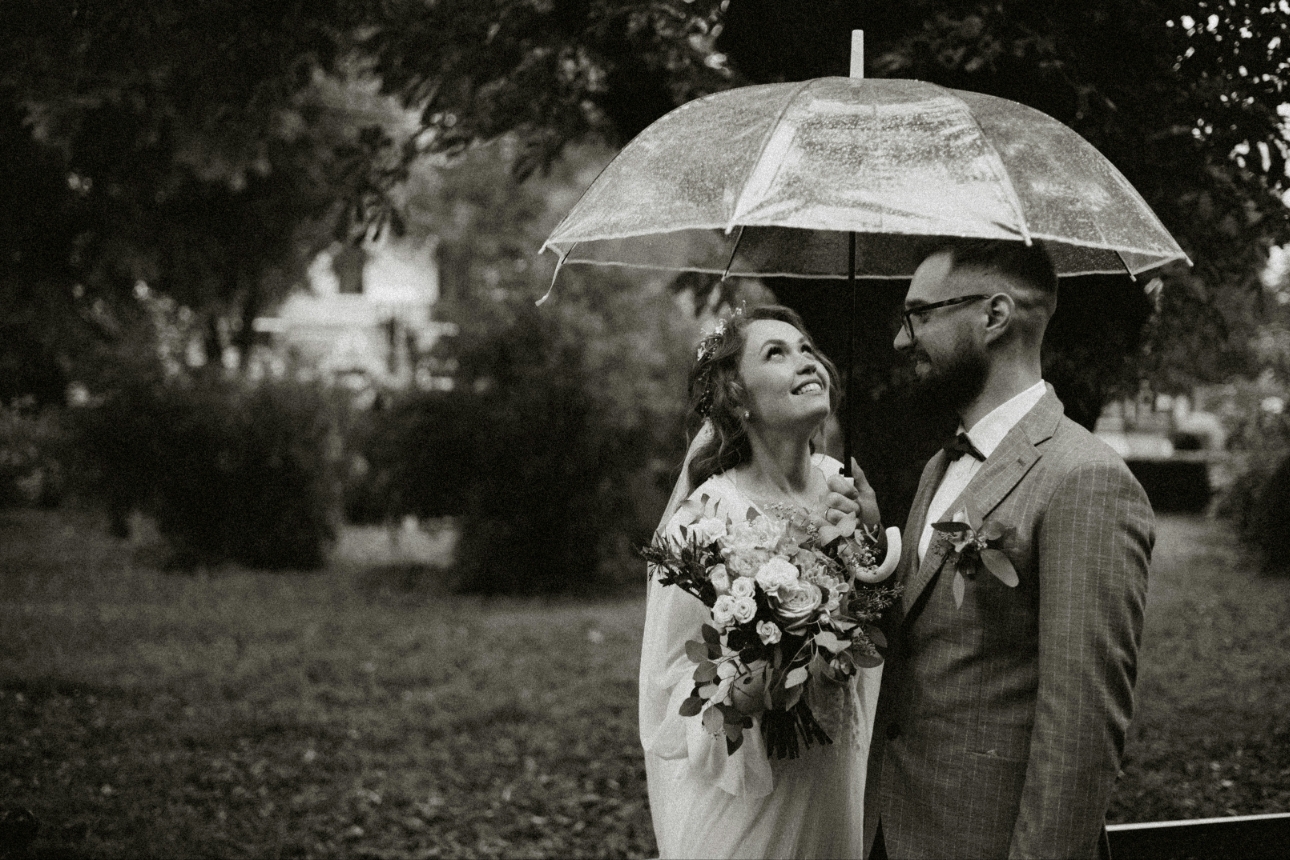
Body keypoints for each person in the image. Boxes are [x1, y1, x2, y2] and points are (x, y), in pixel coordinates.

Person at [826, 240, 1154, 859]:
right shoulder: (937, 468)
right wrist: (868, 557)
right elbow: (931, 645)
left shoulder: (1084, 478)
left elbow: (1081, 736)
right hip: (894, 830)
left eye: (918, 314)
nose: (901, 340)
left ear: (994, 316)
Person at [640, 304, 897, 859]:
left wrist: (871, 542)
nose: (806, 362)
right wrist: (739, 690)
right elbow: (669, 681)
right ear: (737, 396)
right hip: (752, 809)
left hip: (834, 783)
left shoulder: (842, 490)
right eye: (776, 354)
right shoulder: (704, 519)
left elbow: (878, 630)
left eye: (807, 349)